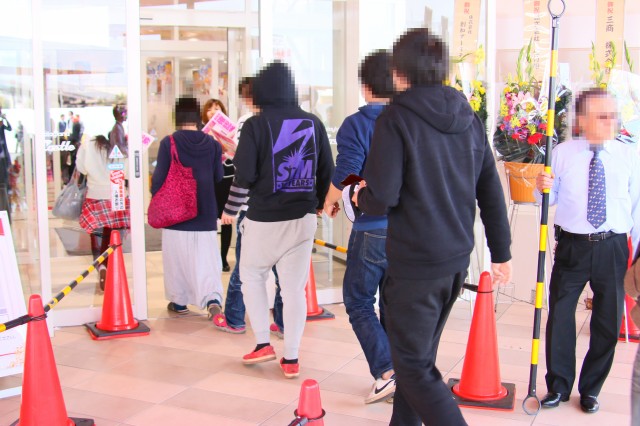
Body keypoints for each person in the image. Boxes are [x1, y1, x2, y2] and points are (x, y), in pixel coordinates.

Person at [353, 28, 512, 425]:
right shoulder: (467, 115)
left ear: (398, 72)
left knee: (412, 369)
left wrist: (360, 195)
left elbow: (383, 195)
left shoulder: (396, 118)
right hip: (455, 261)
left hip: (416, 266)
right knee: (418, 361)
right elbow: (490, 188)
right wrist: (502, 252)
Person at [535, 87, 640, 414]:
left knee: (607, 320)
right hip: (573, 246)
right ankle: (558, 386)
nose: (611, 122)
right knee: (560, 315)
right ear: (582, 120)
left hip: (613, 247)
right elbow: (547, 200)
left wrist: (637, 257)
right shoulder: (562, 153)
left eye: (613, 116)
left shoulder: (629, 155)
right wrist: (541, 188)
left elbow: (637, 208)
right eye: (602, 116)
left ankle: (591, 389)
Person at [233, 61, 334, 378]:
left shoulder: (256, 124)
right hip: (302, 217)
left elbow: (244, 174)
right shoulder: (313, 123)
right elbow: (327, 170)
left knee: (252, 275)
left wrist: (230, 208)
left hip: (264, 218)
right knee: (293, 290)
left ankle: (263, 343)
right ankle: (291, 358)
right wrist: (320, 203)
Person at [323, 50, 396, 404]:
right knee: (393, 304)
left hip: (372, 227)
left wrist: (330, 199)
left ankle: (387, 372)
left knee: (358, 300)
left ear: (365, 86)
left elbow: (348, 170)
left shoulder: (357, 123)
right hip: (407, 228)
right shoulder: (407, 121)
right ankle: (405, 373)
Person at [217, 77, 285, 336]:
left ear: (247, 98)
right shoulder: (285, 120)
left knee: (245, 266)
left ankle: (235, 319)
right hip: (283, 206)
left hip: (253, 208)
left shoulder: (248, 122)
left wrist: (230, 208)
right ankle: (283, 322)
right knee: (282, 269)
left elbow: (245, 169)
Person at [151, 97, 225, 319]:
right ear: (197, 116)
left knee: (177, 259)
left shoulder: (169, 143)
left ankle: (179, 301)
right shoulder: (213, 144)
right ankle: (212, 300)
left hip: (177, 214)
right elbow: (218, 177)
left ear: (177, 116)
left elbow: (158, 179)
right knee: (206, 258)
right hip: (205, 211)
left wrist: (158, 199)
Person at [76, 135, 130, 290]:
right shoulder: (120, 145)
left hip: (96, 195)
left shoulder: (87, 145)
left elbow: (81, 168)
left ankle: (101, 265)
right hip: (117, 194)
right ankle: (110, 266)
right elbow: (127, 171)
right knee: (114, 235)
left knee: (97, 235)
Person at [202, 98, 235, 272]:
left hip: (227, 177)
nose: (213, 112)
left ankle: (223, 258)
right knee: (209, 219)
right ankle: (210, 257)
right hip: (209, 179)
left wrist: (228, 148)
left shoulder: (231, 131)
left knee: (226, 219)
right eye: (210, 109)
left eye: (217, 108)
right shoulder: (202, 133)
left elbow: (236, 153)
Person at [0, 108, 12, 222]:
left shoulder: (1, 123)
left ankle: (7, 190)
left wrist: (5, 119)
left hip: (3, 154)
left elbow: (9, 128)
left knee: (4, 180)